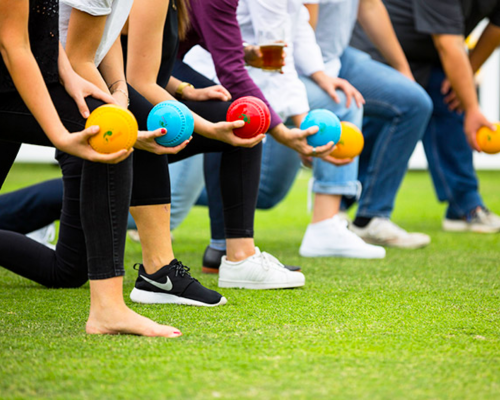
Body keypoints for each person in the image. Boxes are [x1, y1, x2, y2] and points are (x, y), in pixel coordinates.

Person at [0, 0, 181, 337]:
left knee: (110, 131)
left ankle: (107, 310)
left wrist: (70, 77)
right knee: (108, 134)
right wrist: (60, 133)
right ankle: (108, 310)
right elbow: (13, 43)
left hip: (26, 72)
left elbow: (41, 31)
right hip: (9, 77)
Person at [351, 0, 500, 233]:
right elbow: (448, 43)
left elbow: (496, 28)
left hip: (432, 55)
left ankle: (465, 207)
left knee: (451, 101)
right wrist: (473, 108)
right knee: (375, 129)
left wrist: (466, 75)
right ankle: (339, 202)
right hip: (381, 49)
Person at [304, 0, 434, 248]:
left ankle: (370, 218)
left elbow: (371, 6)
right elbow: (301, 33)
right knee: (267, 192)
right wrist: (318, 75)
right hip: (298, 65)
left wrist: (402, 69)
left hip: (340, 56)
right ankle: (331, 211)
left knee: (414, 101)